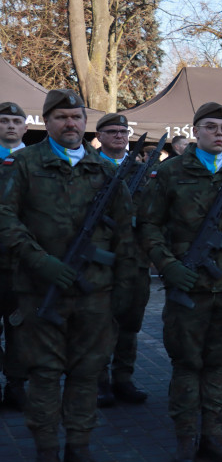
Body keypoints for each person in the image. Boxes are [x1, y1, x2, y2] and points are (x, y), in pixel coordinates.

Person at [0, 90, 135, 462]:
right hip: (39, 292)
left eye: (76, 117)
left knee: (86, 374)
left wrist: (125, 287)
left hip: (94, 293)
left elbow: (126, 230)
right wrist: (39, 260)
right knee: (44, 375)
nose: (71, 124)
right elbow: (5, 218)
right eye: (61, 117)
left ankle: (79, 448)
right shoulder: (22, 164)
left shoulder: (103, 169)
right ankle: (46, 453)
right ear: (47, 122)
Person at [138, 102, 222, 462]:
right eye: (211, 127)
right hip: (189, 287)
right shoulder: (170, 173)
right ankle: (185, 438)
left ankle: (214, 435)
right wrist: (167, 266)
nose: (220, 133)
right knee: (187, 365)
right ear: (195, 132)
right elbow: (148, 226)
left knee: (218, 366)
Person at [94, 113, 150, 407]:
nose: (119, 136)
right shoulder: (88, 168)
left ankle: (123, 379)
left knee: (130, 322)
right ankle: (99, 381)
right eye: (112, 131)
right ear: (99, 135)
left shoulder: (144, 170)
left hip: (136, 259)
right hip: (100, 260)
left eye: (123, 131)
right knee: (100, 321)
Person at [0, 101, 29, 411]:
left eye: (15, 121)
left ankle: (16, 385)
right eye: (4, 120)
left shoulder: (36, 163)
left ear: (25, 127)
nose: (9, 125)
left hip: (22, 261)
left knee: (20, 327)